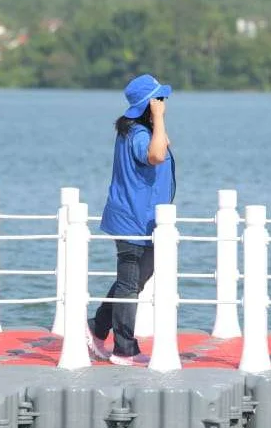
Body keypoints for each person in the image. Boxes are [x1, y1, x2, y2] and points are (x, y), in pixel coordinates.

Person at [85, 73, 175, 366]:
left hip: (145, 219)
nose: (163, 103)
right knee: (129, 282)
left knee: (134, 279)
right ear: (148, 104)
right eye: (158, 100)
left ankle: (97, 326)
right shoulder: (137, 134)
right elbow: (157, 156)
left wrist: (157, 123)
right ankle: (124, 349)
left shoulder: (139, 131)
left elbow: (160, 146)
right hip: (132, 219)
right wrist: (158, 119)